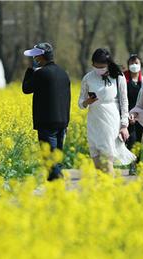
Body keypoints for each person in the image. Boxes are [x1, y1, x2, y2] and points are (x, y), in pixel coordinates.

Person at [78, 48, 136, 174]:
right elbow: (80, 103)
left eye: (102, 66)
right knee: (96, 159)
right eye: (96, 66)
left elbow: (124, 101)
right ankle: (101, 190)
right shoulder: (88, 78)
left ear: (108, 64)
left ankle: (110, 188)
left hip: (111, 119)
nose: (99, 69)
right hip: (94, 119)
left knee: (107, 157)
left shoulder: (118, 77)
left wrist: (124, 125)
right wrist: (87, 102)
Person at [22, 42, 71, 181]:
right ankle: (54, 189)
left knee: (50, 159)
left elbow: (26, 88)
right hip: (62, 121)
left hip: (46, 122)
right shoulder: (63, 73)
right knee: (56, 157)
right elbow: (67, 98)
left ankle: (58, 182)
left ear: (40, 57)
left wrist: (30, 71)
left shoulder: (42, 73)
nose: (34, 59)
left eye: (35, 56)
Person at [123, 53, 143, 174]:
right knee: (131, 140)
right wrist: (128, 114)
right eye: (131, 63)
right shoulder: (123, 80)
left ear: (141, 65)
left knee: (139, 140)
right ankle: (132, 164)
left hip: (142, 115)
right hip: (128, 114)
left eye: (136, 63)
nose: (134, 65)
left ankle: (137, 163)